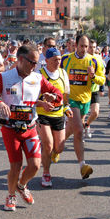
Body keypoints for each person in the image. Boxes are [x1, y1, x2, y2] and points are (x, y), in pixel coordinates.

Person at [0, 44, 63, 211]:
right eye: (32, 62)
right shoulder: (4, 77)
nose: (35, 66)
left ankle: (21, 185)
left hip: (30, 128)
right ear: (20, 59)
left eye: (37, 63)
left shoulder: (37, 78)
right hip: (10, 129)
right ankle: (11, 195)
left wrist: (53, 97)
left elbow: (58, 95)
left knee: (35, 165)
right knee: (16, 166)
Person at [60, 34, 105, 179]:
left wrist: (93, 76)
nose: (84, 49)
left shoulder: (94, 60)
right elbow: (57, 74)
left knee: (71, 130)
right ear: (75, 45)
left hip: (85, 100)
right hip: (70, 100)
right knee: (79, 131)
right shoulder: (66, 59)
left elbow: (101, 80)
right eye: (81, 46)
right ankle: (82, 166)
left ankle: (56, 148)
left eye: (86, 46)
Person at [36, 47, 72, 187]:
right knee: (48, 145)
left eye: (59, 59)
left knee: (59, 148)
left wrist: (66, 107)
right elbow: (32, 95)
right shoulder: (40, 75)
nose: (58, 62)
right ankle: (46, 173)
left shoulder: (63, 73)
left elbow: (66, 93)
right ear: (46, 60)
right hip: (43, 114)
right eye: (54, 60)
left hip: (58, 114)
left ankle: (50, 152)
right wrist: (44, 101)